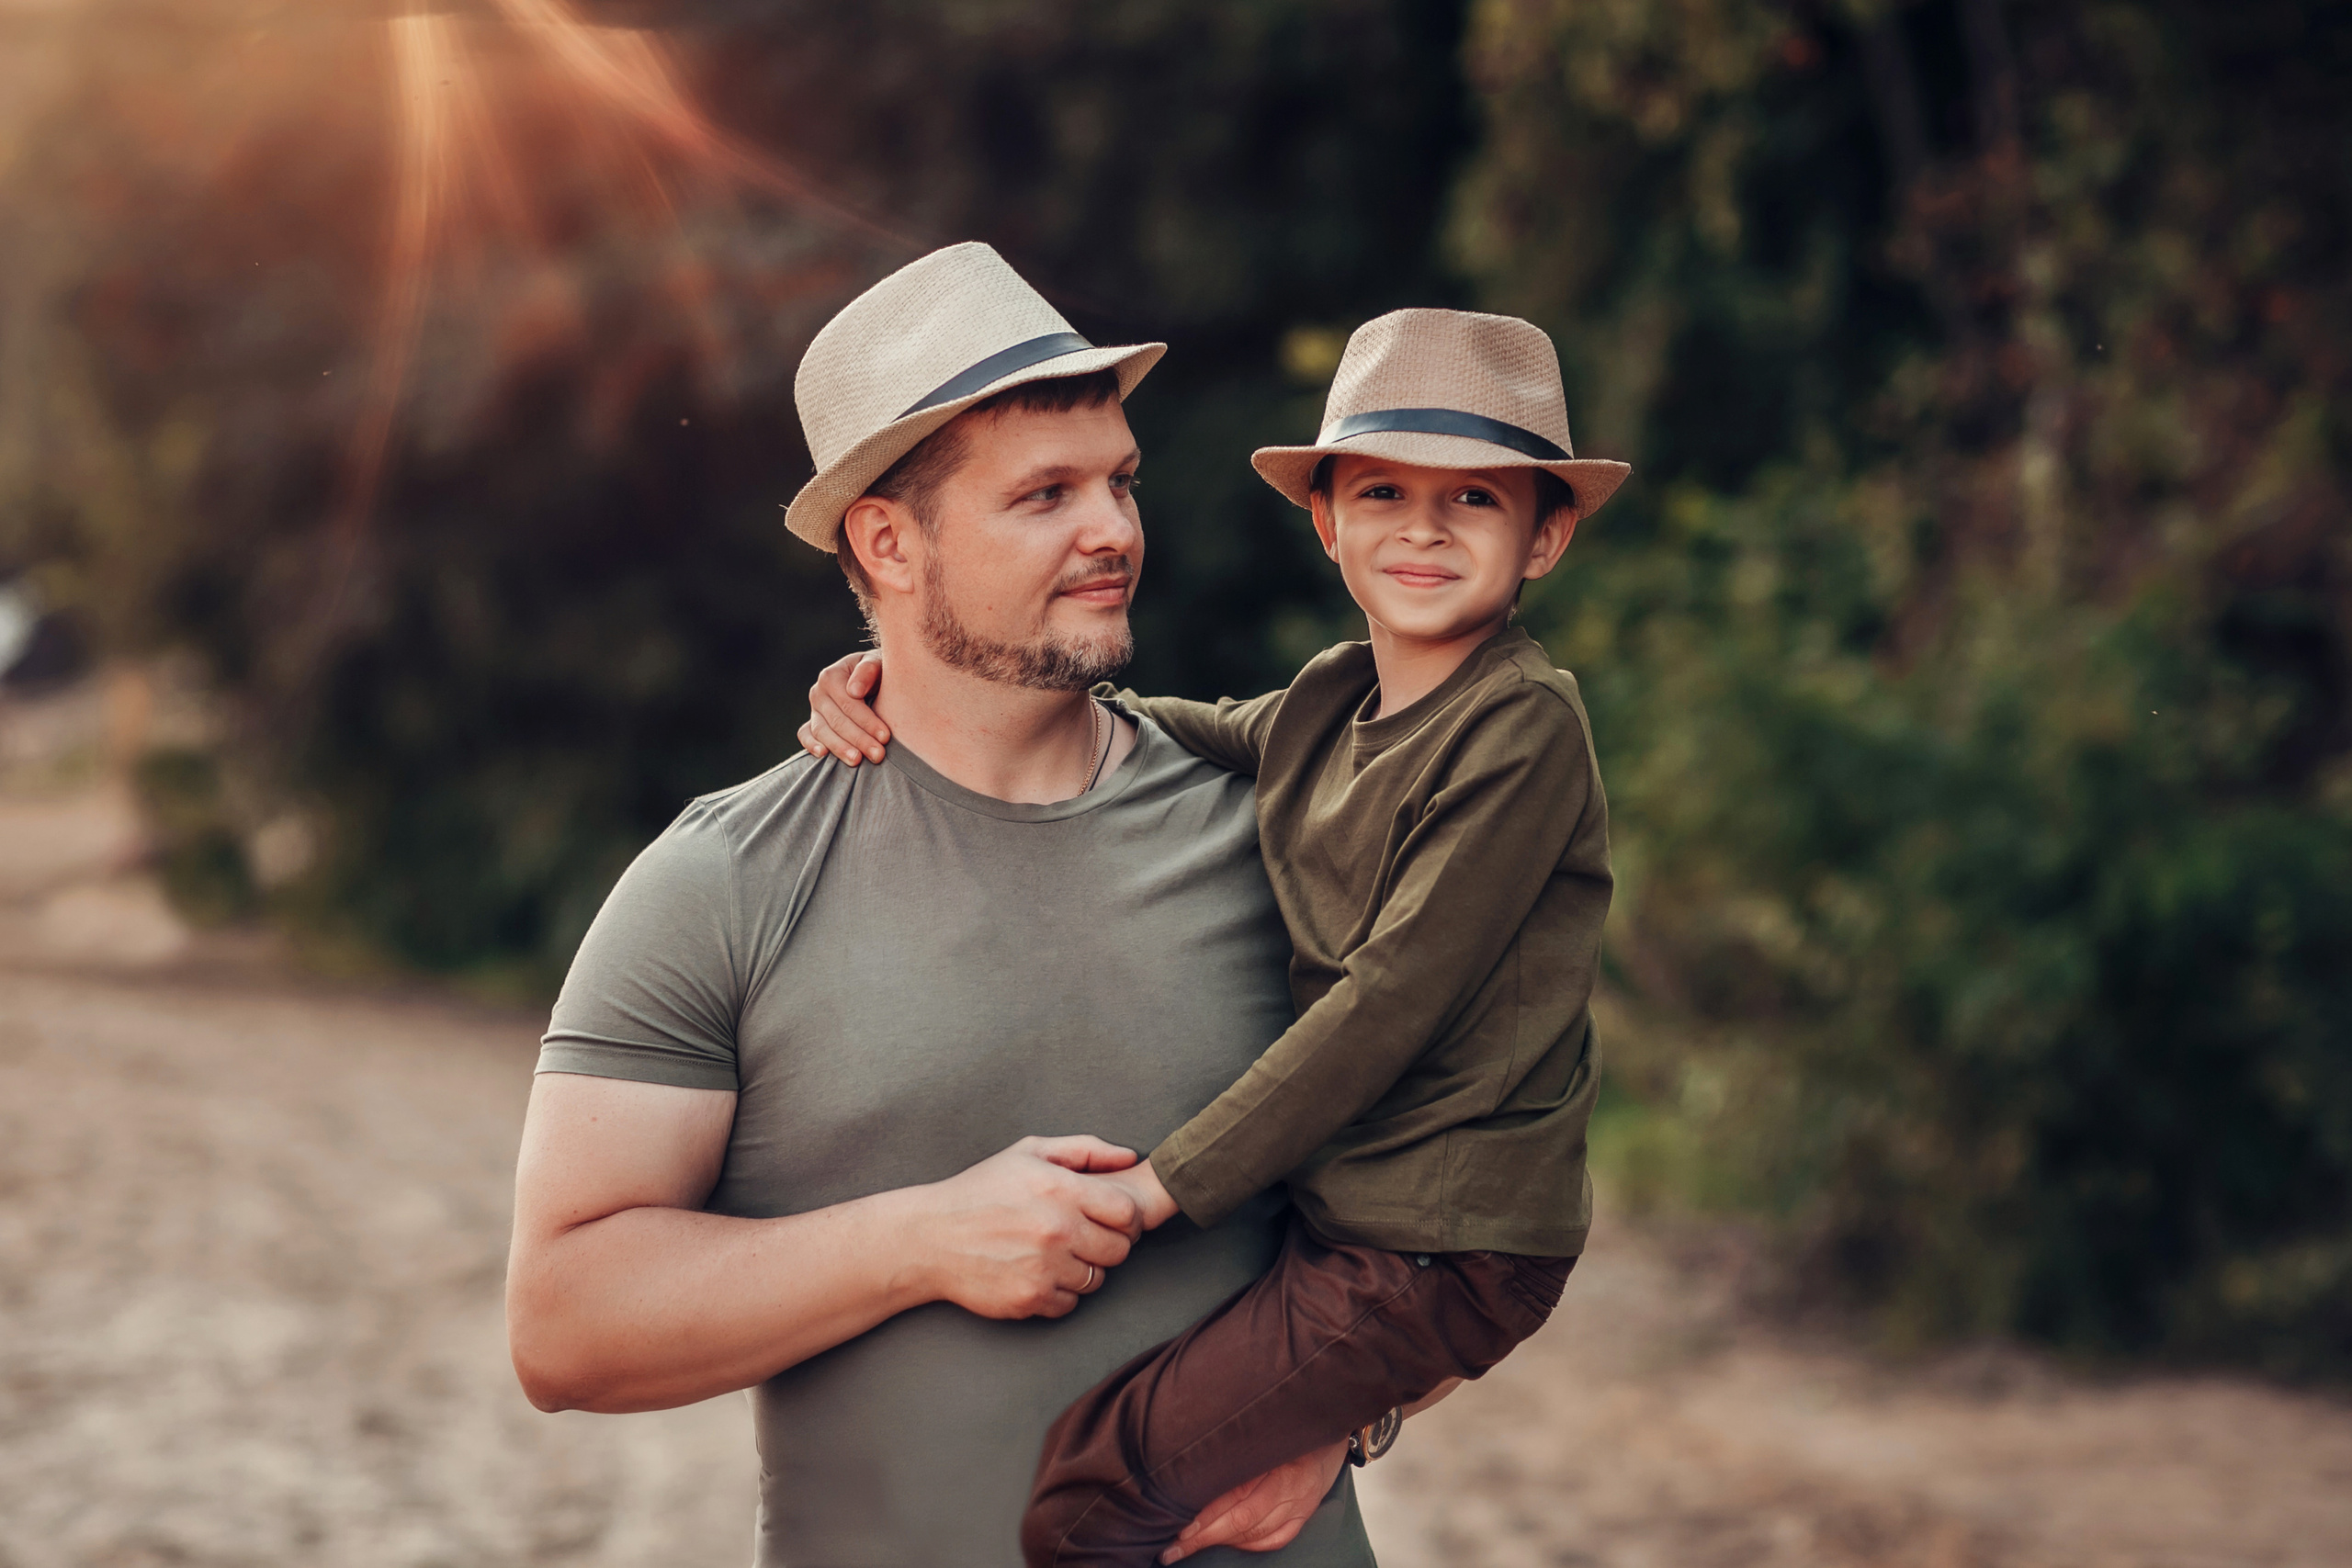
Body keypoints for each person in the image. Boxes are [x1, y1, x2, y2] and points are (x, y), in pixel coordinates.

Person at [505, 242, 1376, 1567]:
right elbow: (561, 1327)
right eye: (1045, 494)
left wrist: (1351, 1406)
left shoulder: (1282, 828)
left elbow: (1481, 1188)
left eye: (1122, 481)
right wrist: (920, 1241)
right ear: (888, 542)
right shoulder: (723, 883)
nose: (1114, 531)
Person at [799, 308, 1629, 1567]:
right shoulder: (1334, 699)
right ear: (1327, 520)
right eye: (1384, 492)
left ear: (1546, 536)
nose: (1423, 529)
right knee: (1152, 1458)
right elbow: (1161, 722)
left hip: (1443, 1240)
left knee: (1097, 1497)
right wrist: (895, 683)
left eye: (1474, 496)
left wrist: (1161, 1187)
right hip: (1366, 1220)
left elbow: (1387, 1005)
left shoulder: (1523, 729)